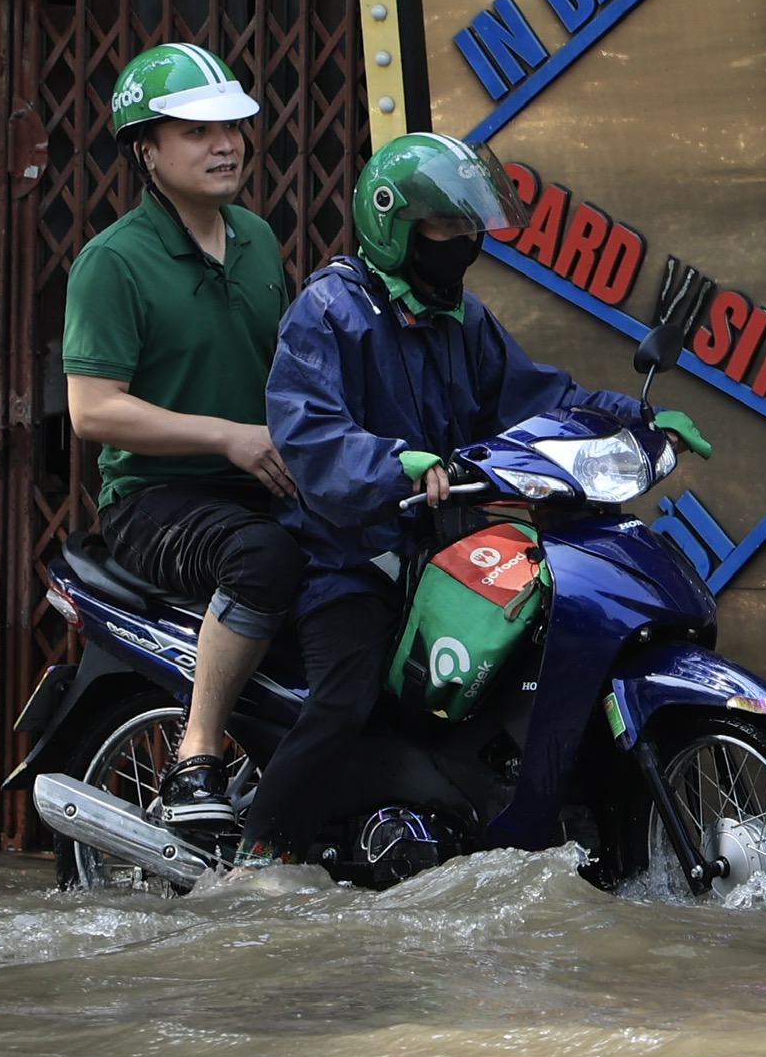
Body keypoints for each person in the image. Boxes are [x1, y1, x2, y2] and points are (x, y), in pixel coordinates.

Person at [238, 132, 700, 868]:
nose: (465, 242)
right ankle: (261, 852)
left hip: (444, 547)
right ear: (393, 224)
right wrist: (396, 464)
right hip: (347, 556)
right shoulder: (329, 311)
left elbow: (539, 398)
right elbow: (311, 436)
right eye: (448, 227)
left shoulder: (463, 318)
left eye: (471, 227)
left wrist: (632, 418)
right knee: (345, 698)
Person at [61, 42, 305, 830]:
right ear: (146, 151)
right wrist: (227, 437)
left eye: (232, 124)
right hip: (155, 500)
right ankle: (197, 755)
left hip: (260, 486)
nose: (225, 142)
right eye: (197, 130)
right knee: (263, 557)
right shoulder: (114, 262)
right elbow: (93, 411)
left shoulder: (259, 241)